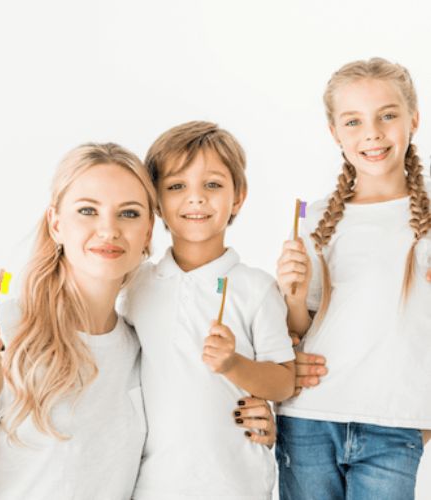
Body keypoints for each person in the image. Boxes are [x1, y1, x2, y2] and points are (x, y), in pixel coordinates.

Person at [0, 143, 156, 500]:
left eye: (129, 214)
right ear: (55, 224)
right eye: (87, 210)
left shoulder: (144, 350)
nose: (108, 229)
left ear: (147, 233)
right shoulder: (0, 333)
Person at [275, 57, 431, 500]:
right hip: (309, 416)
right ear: (334, 133)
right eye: (353, 121)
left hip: (395, 422)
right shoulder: (317, 218)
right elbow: (298, 329)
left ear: (414, 118)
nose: (372, 133)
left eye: (388, 115)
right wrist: (293, 295)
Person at [121, 121, 295, 499]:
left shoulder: (256, 288)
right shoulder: (135, 286)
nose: (195, 199)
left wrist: (234, 365)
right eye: (176, 186)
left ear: (238, 197)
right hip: (153, 484)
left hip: (235, 484)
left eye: (213, 185)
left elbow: (284, 381)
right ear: (157, 201)